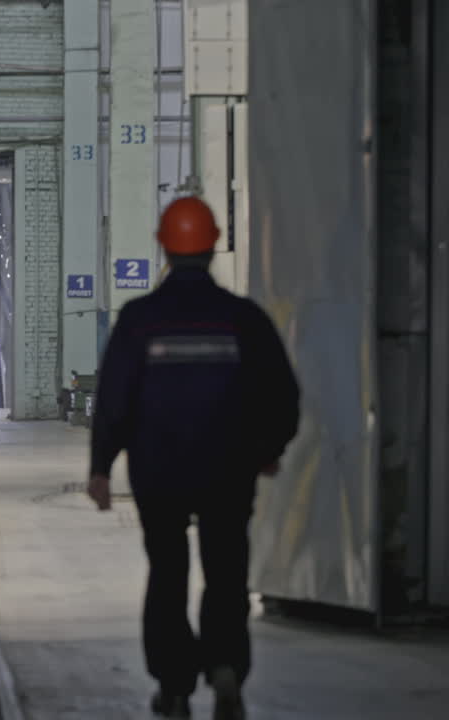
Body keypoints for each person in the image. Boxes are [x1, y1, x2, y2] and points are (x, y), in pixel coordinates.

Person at [87, 196, 300, 720]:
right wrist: (268, 450)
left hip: (159, 473)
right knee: (227, 571)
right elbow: (282, 394)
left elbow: (114, 397)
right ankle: (226, 668)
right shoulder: (243, 318)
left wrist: (100, 466)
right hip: (228, 470)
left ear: (164, 245)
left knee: (168, 572)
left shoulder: (139, 319)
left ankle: (175, 685)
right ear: (212, 244)